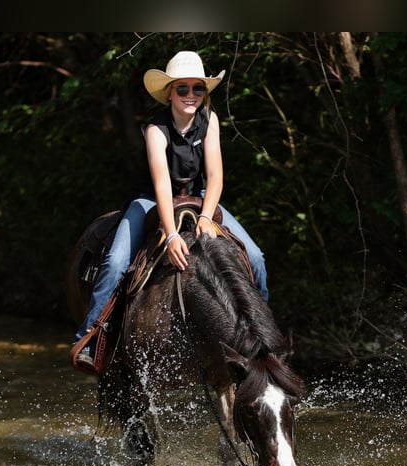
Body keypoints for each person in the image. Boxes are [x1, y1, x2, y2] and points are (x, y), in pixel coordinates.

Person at [74, 50, 268, 371]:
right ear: (169, 92)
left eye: (198, 88)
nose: (191, 95)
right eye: (183, 88)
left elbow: (216, 175)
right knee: (117, 261)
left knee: (256, 258)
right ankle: (92, 337)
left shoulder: (210, 120)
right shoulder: (155, 128)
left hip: (198, 195)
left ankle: (259, 337)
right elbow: (162, 183)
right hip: (150, 199)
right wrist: (172, 232)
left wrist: (206, 216)